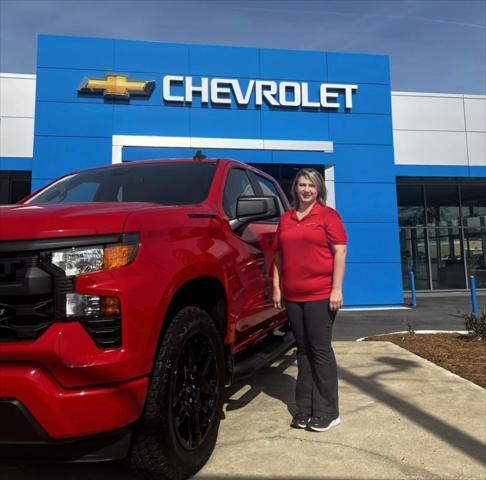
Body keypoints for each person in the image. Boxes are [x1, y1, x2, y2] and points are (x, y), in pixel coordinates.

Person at [272, 168, 347, 432]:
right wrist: (277, 288)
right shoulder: (286, 219)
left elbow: (340, 251)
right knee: (302, 352)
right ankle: (304, 409)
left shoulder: (328, 216)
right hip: (293, 295)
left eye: (311, 186)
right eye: (302, 184)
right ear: (295, 188)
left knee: (320, 351)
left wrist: (336, 289)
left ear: (318, 190)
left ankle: (328, 411)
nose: (306, 189)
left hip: (320, 294)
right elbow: (278, 255)